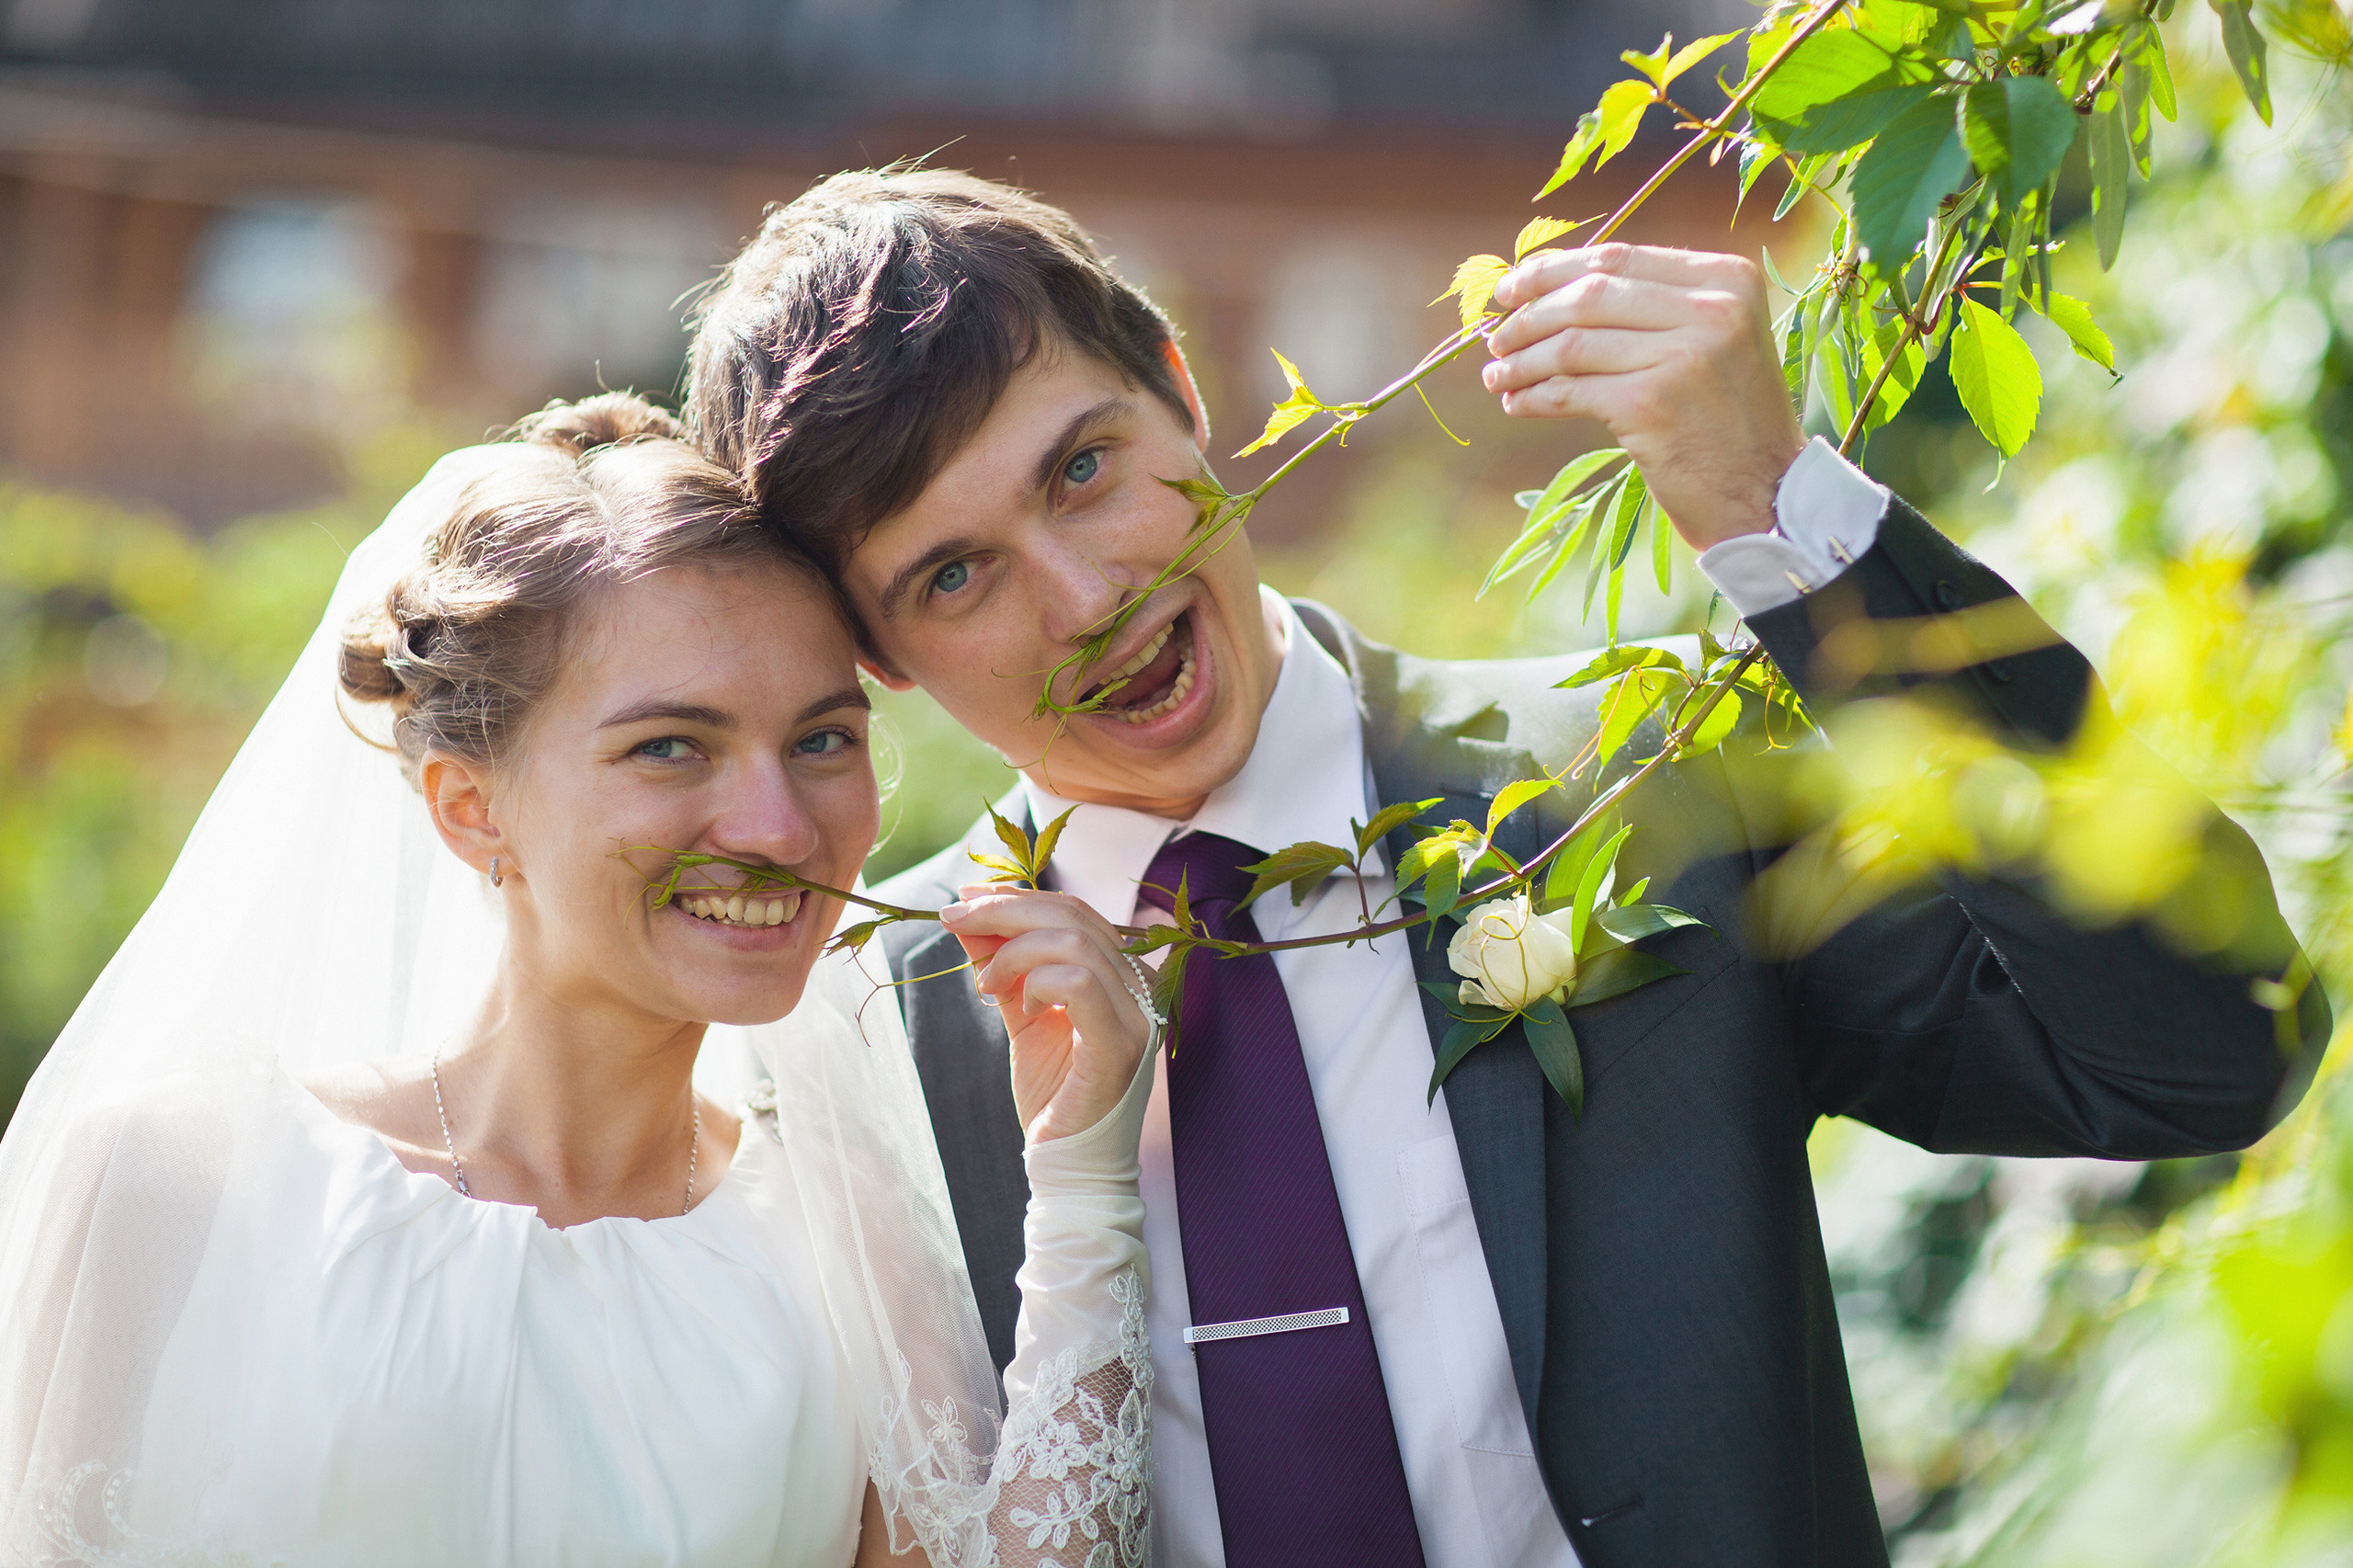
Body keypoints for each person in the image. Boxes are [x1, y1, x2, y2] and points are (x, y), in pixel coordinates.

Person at [684, 167, 2332, 1568]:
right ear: (882, 658)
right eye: (958, 574)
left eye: (1085, 468)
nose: (1079, 596)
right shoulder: (876, 1045)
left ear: (1184, 390)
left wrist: (1785, 514)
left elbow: (2201, 1053)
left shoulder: (1640, 779)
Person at [0, 393, 1161, 1567]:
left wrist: (1080, 1181)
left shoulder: (840, 1238)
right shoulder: (180, 1185)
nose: (776, 826)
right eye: (670, 746)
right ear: (470, 807)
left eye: (821, 739)